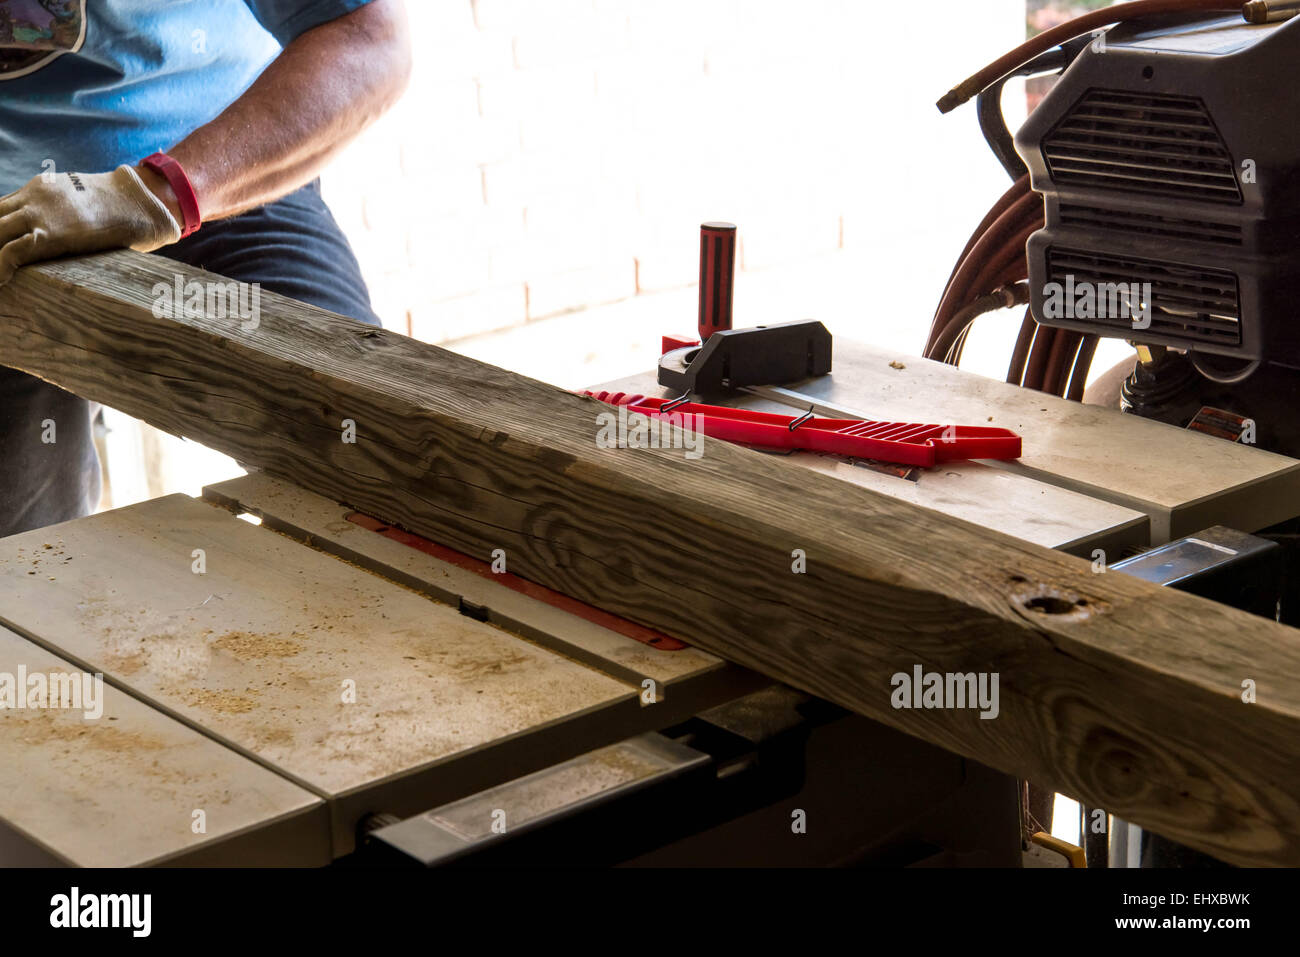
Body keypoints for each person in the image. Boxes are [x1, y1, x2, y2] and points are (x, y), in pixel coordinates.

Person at [0, 0, 410, 537]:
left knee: (371, 461)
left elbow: (372, 38)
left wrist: (160, 195)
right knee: (20, 551)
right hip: (13, 219)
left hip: (215, 176)